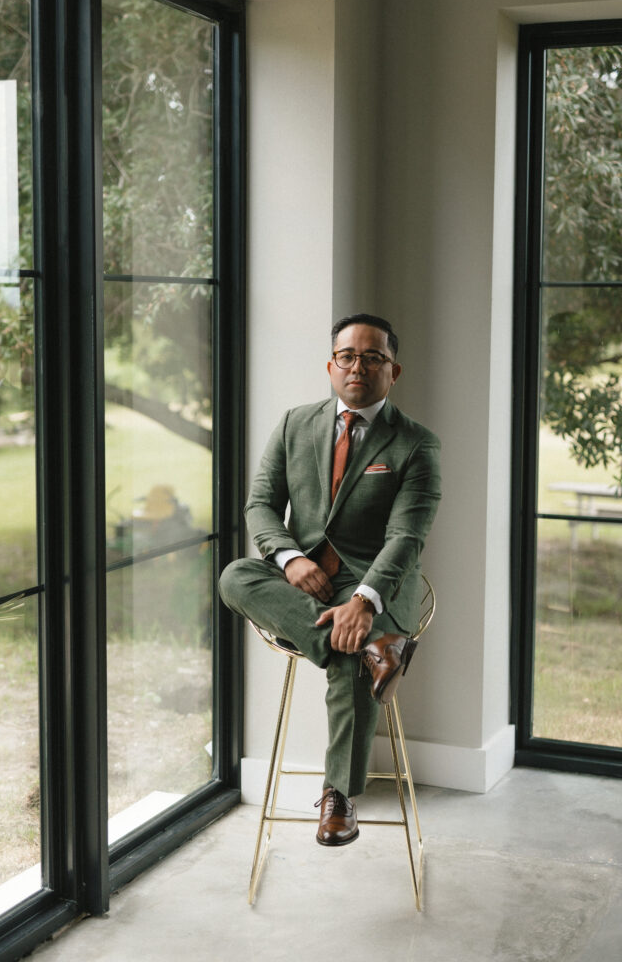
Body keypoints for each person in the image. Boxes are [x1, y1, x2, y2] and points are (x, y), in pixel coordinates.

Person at [219, 313, 441, 846]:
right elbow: (261, 505)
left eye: (373, 357)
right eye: (348, 356)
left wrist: (364, 601)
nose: (358, 366)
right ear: (331, 364)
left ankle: (339, 795)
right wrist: (291, 559)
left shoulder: (416, 445)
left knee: (348, 661)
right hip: (305, 579)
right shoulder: (296, 423)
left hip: (377, 584)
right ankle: (375, 649)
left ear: (394, 371)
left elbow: (406, 538)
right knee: (234, 576)